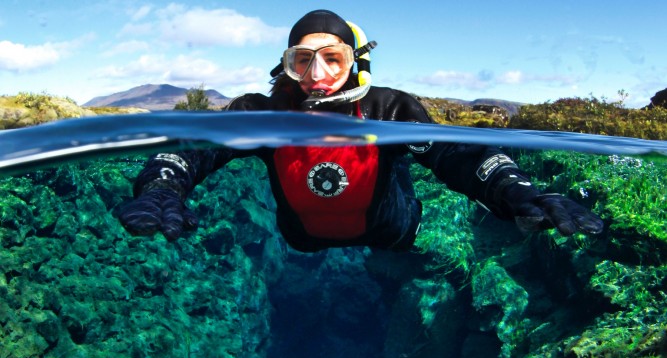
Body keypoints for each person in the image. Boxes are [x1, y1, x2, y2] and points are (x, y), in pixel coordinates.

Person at [118, 9, 603, 252]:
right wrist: (163, 185)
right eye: (301, 59)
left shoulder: (389, 108)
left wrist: (514, 190)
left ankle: (405, 192)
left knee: (406, 186)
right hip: (302, 238)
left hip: (391, 229)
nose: (318, 73)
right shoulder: (263, 113)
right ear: (286, 67)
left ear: (356, 64)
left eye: (334, 57)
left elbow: (458, 155)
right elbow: (196, 148)